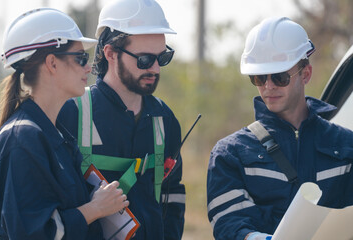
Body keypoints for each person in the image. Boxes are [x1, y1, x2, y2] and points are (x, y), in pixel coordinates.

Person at [206, 16, 353, 240]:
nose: (268, 86)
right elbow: (229, 224)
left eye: (280, 77)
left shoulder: (346, 146)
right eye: (259, 77)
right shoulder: (230, 154)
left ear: (306, 74)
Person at [0, 8, 129, 239]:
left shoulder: (53, 134)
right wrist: (94, 209)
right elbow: (30, 234)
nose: (89, 67)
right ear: (52, 64)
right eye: (80, 58)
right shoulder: (22, 140)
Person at [57, 0, 185, 239]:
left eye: (163, 57)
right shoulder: (69, 115)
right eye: (145, 59)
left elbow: (173, 197)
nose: (156, 69)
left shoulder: (165, 120)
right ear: (111, 53)